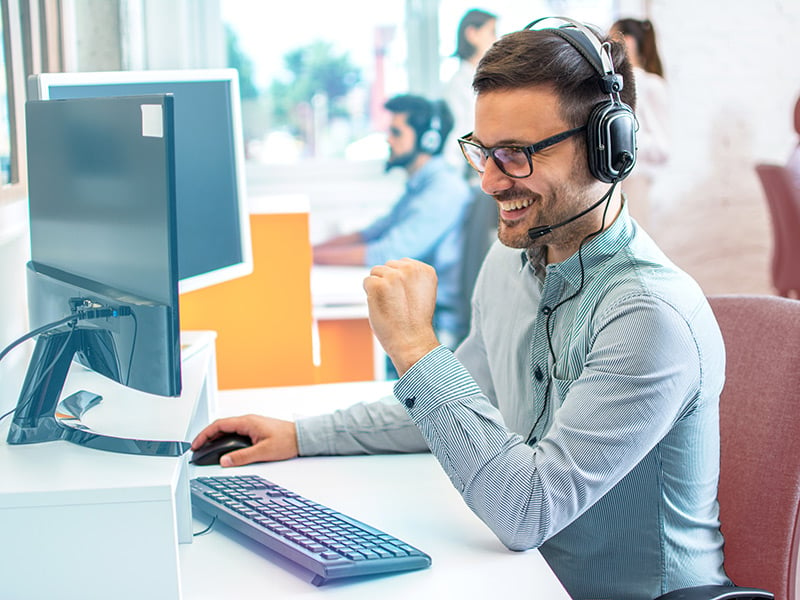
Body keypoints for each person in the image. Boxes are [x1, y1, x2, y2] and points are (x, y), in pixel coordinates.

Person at [193, 18, 730, 599]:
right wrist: (301, 434)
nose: (490, 183)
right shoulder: (512, 262)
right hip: (523, 582)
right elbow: (462, 404)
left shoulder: (648, 316)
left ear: (607, 150)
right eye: (483, 152)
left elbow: (527, 511)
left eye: (516, 155)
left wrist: (414, 348)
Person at [313, 94, 472, 348]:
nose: (388, 140)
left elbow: (387, 252)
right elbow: (371, 234)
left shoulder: (444, 191)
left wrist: (309, 258)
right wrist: (310, 251)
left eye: (396, 133)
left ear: (427, 141)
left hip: (434, 327)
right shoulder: (421, 186)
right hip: (412, 310)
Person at [609, 18, 670, 229]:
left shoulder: (650, 84)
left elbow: (662, 146)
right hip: (617, 179)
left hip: (637, 178)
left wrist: (626, 144)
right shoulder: (614, 82)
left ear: (629, 42)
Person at [442, 8, 497, 172]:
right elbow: (463, 131)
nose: (496, 39)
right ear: (472, 34)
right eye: (492, 32)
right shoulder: (460, 83)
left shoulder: (482, 77)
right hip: (466, 168)